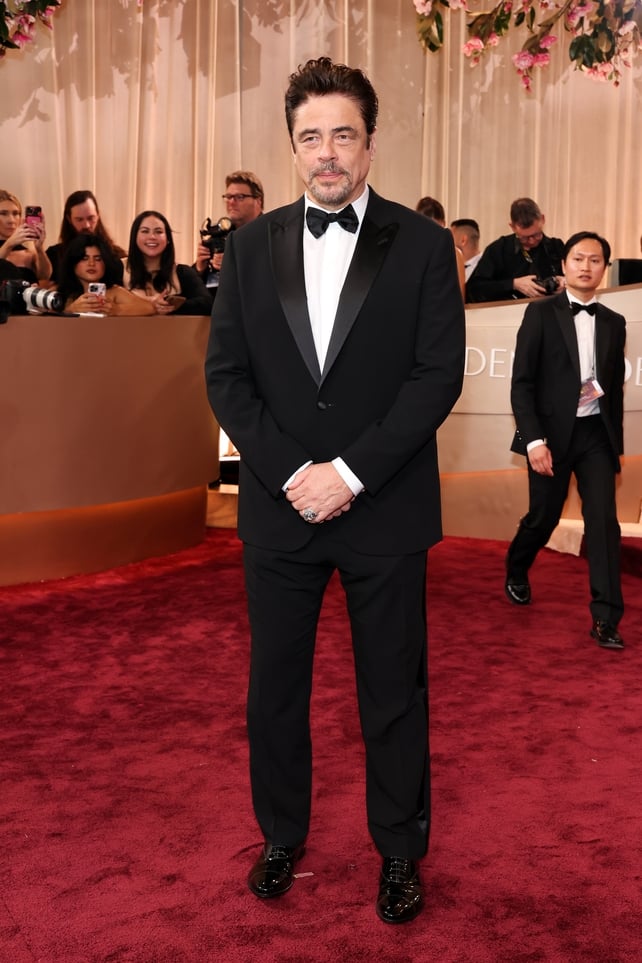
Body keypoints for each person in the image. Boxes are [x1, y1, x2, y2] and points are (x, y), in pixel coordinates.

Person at [205, 57, 465, 924]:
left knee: (392, 688)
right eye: (310, 136)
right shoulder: (247, 246)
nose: (326, 153)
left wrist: (349, 473)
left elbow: (436, 377)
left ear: (370, 142)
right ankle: (283, 833)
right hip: (280, 513)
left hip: (383, 508)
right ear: (292, 146)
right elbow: (227, 379)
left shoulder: (424, 246)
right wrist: (291, 474)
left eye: (342, 134)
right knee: (273, 687)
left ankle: (399, 850)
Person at [505, 231, 626, 651]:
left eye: (595, 260)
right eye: (578, 258)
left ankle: (606, 618)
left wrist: (616, 448)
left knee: (603, 523)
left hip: (594, 435)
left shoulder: (614, 322)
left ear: (604, 269)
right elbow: (521, 385)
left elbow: (612, 390)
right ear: (564, 264)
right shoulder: (539, 314)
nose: (586, 266)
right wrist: (534, 441)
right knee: (544, 517)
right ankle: (517, 567)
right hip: (550, 436)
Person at [466, 197, 565, 303]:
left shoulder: (556, 247)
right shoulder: (499, 249)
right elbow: (474, 289)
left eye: (537, 235)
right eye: (524, 237)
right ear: (512, 227)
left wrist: (566, 283)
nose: (531, 241)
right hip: (508, 315)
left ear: (543, 219)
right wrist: (513, 284)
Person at [125, 210, 212, 315]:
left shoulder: (182, 272)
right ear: (134, 237)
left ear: (168, 239)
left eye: (158, 232)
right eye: (145, 231)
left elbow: (207, 303)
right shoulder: (119, 268)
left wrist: (169, 305)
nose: (152, 237)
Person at [194, 171, 264, 291]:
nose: (231, 202)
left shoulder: (273, 234)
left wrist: (233, 269)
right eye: (228, 197)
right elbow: (201, 289)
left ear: (258, 201)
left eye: (239, 197)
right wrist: (200, 269)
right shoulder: (218, 233)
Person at [56, 233, 154, 316]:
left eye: (98, 259)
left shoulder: (115, 291)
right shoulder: (61, 293)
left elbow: (149, 308)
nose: (91, 263)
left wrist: (116, 310)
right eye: (84, 258)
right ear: (73, 262)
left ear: (106, 263)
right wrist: (71, 311)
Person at [46, 190, 126, 284]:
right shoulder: (54, 255)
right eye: (79, 220)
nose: (86, 225)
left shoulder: (116, 255)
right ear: (69, 219)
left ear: (98, 216)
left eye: (91, 218)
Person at [416, 196, 466, 299]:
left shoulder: (455, 253)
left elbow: (460, 296)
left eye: (437, 229)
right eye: (427, 229)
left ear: (444, 224)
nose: (432, 235)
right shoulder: (409, 251)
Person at [0, 189, 52, 282]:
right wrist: (9, 244)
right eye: (3, 213)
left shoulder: (28, 253)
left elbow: (44, 276)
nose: (11, 220)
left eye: (16, 214)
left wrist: (39, 249)